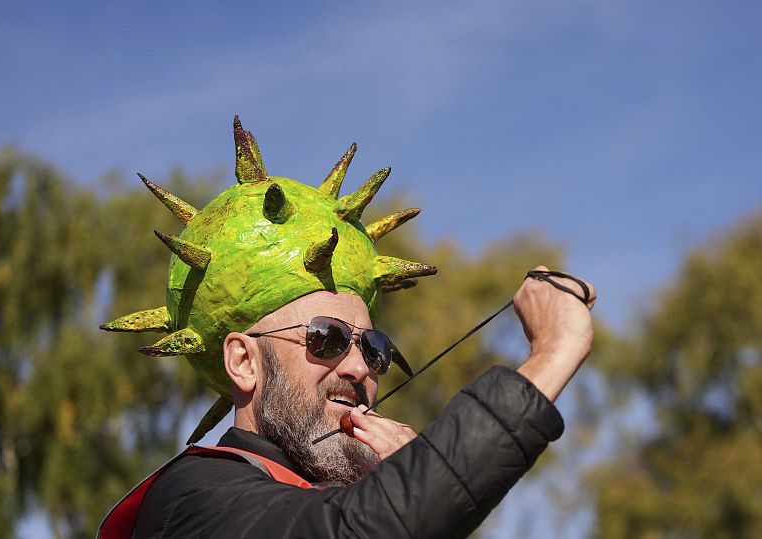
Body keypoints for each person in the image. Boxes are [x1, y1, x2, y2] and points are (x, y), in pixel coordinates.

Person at [97, 118, 595, 539]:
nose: (360, 367)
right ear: (243, 361)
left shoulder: (340, 501)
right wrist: (553, 353)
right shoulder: (193, 500)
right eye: (326, 338)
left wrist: (415, 484)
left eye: (374, 347)